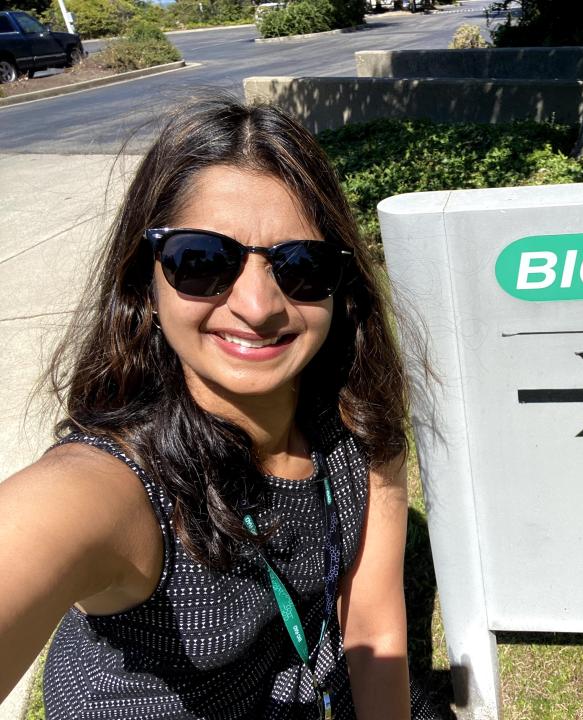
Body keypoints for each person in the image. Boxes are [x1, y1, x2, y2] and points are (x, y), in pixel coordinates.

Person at [0, 96, 427, 719]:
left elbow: (373, 626)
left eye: (301, 266)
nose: (258, 305)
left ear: (342, 289)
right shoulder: (118, 486)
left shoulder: (357, 425)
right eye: (201, 261)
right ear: (144, 282)